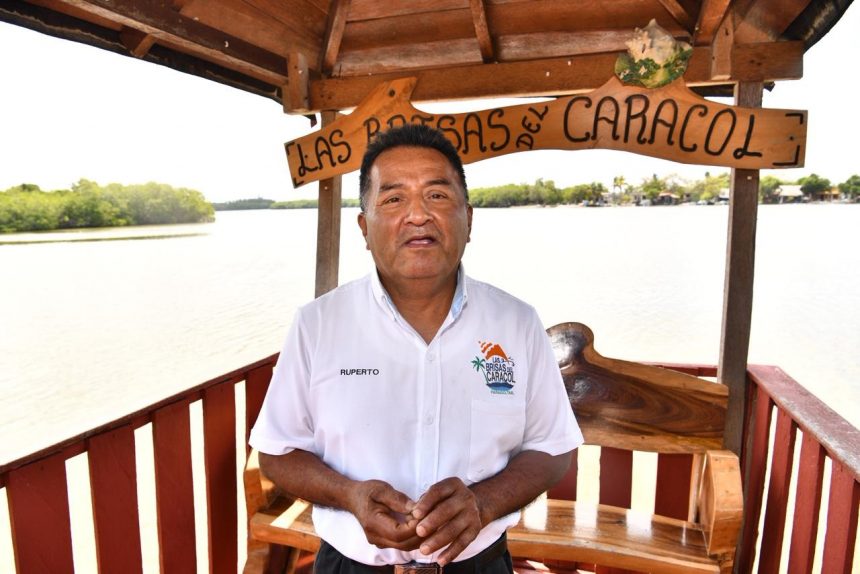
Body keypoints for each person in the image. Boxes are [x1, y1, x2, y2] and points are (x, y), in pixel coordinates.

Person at [250, 123, 583, 573]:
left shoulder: (516, 322)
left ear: (469, 220)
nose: (418, 215)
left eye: (437, 195)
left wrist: (483, 503)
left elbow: (552, 447)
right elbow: (277, 451)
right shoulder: (317, 325)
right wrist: (349, 495)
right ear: (364, 228)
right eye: (393, 199)